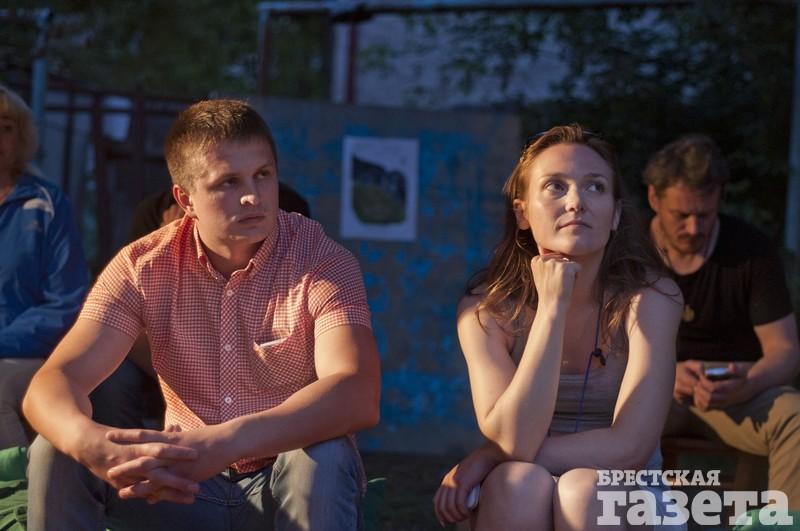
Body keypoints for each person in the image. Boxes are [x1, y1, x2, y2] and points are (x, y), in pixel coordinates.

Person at [23, 99, 380, 531]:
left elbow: (357, 392)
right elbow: (51, 384)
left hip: (279, 484)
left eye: (263, 174)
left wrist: (229, 441)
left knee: (324, 455)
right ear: (185, 198)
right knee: (56, 447)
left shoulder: (321, 259)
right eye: (229, 181)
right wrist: (93, 444)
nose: (253, 195)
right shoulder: (142, 265)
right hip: (179, 485)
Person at [433, 125, 684, 530]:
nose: (576, 202)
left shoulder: (652, 299)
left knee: (583, 489)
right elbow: (514, 439)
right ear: (522, 213)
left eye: (595, 187)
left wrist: (490, 455)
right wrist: (552, 306)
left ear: (615, 214)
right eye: (555, 186)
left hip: (628, 491)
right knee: (518, 484)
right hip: (517, 486)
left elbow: (630, 450)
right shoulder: (485, 310)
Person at [646, 134, 800, 508]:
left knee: (795, 417)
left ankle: (778, 525)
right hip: (652, 388)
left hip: (736, 389)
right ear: (654, 198)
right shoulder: (629, 251)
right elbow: (599, 351)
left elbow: (785, 351)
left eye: (705, 215)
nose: (693, 228)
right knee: (596, 412)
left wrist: (746, 384)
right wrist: (664, 374)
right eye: (681, 216)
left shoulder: (750, 249)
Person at [0, 83, 88, 450]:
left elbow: (66, 302)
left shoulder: (48, 203)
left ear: (22, 138)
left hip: (27, 354)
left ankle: (13, 485)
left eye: (6, 128)